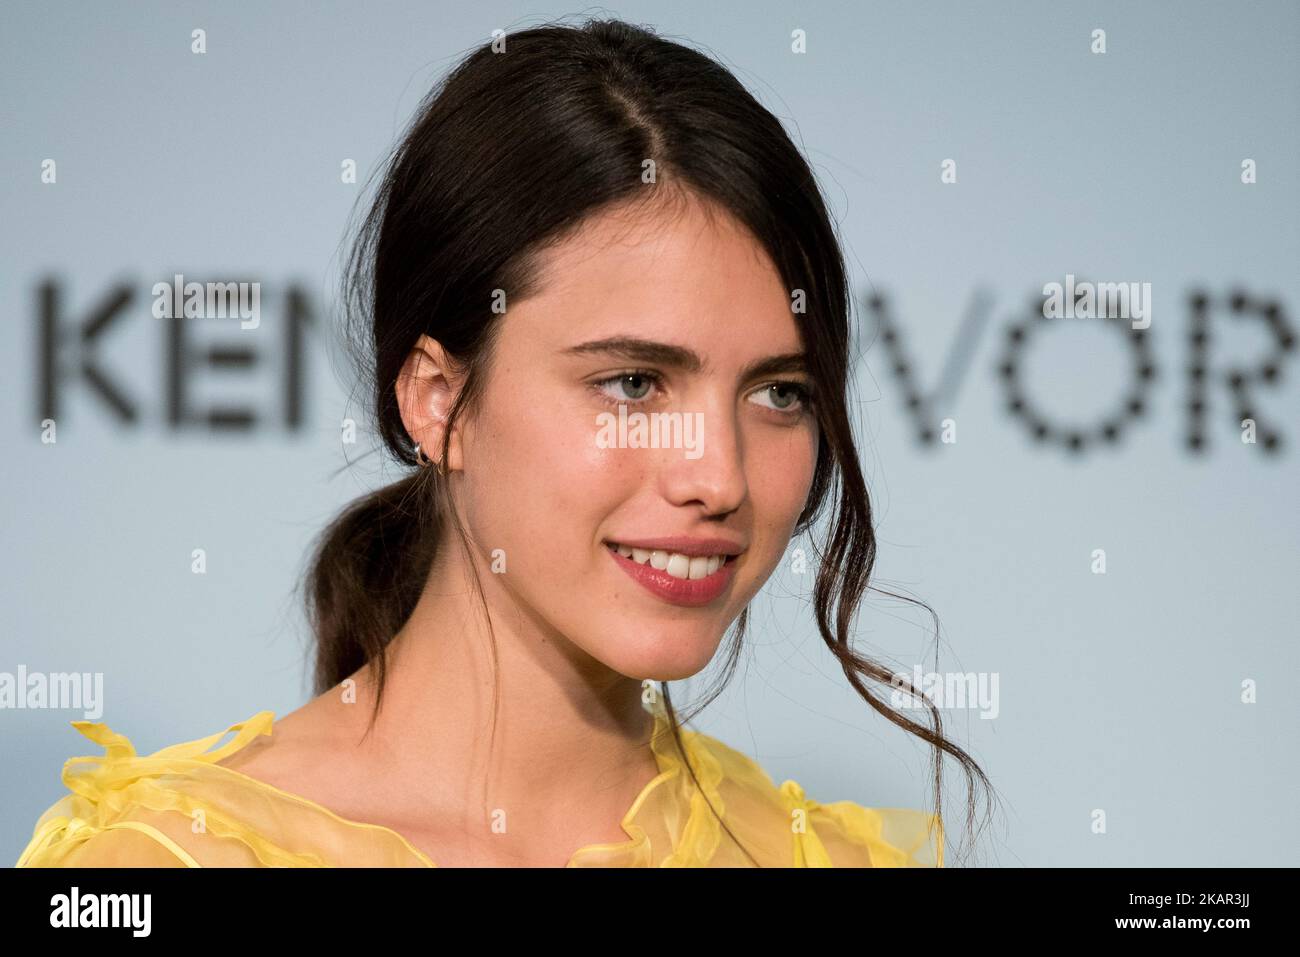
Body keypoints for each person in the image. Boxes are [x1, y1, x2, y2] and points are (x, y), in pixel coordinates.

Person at [17, 18, 988, 868]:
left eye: (779, 393)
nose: (718, 476)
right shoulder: (162, 862)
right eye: (633, 383)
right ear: (438, 400)